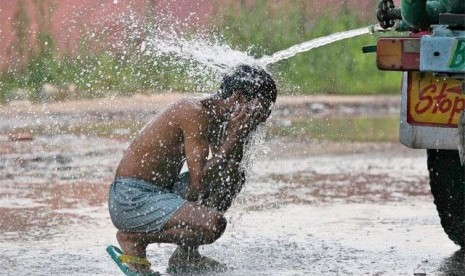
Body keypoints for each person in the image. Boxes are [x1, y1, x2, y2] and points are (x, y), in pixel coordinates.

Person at [106, 64, 277, 275]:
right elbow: (201, 180)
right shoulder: (193, 112)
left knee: (233, 175)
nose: (265, 117)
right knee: (213, 225)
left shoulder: (219, 116)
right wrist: (234, 136)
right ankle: (134, 238)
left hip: (162, 194)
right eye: (261, 108)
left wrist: (238, 136)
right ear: (240, 99)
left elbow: (227, 167)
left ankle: (185, 257)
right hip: (131, 199)